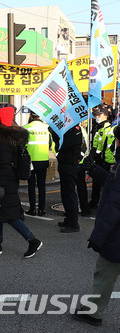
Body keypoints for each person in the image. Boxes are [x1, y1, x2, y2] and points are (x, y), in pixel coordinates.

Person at [0, 107, 43, 257]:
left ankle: (33, 240)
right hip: (8, 182)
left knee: (9, 214)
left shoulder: (3, 142)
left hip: (3, 184)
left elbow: (3, 166)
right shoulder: (13, 139)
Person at [73, 125, 120, 327]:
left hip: (117, 235)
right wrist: (96, 171)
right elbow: (113, 184)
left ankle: (94, 313)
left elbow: (114, 204)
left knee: (105, 271)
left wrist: (98, 236)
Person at [51, 125, 85, 233]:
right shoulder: (72, 130)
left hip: (69, 165)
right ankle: (69, 219)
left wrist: (55, 133)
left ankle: (73, 223)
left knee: (69, 195)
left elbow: (62, 145)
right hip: (66, 164)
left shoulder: (74, 132)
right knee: (65, 194)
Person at [24, 112, 52, 216]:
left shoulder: (26, 128)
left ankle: (32, 209)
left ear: (31, 116)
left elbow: (23, 144)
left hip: (30, 160)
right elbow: (50, 143)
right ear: (40, 116)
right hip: (43, 159)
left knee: (31, 185)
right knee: (42, 185)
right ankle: (42, 210)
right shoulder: (46, 128)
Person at [88, 107, 112, 211]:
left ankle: (105, 203)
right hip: (98, 159)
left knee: (105, 183)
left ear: (105, 116)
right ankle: (94, 201)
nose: (97, 117)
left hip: (105, 160)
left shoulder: (108, 128)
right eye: (96, 115)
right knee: (96, 182)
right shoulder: (98, 127)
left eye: (99, 115)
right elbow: (95, 144)